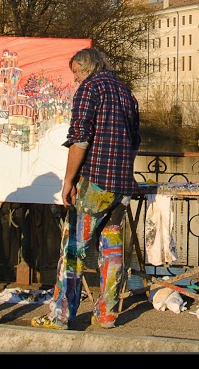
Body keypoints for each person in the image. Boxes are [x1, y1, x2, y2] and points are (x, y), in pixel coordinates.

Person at [32, 47, 140, 330]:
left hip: (96, 183)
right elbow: (135, 140)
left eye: (77, 72)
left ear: (87, 67)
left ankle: (60, 315)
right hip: (122, 186)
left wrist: (68, 180)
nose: (76, 79)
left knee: (74, 248)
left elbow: (80, 140)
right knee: (112, 249)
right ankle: (106, 314)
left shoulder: (89, 89)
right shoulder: (125, 92)